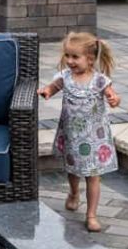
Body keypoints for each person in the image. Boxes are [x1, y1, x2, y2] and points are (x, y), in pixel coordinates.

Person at [37, 31, 121, 233]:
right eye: (68, 56)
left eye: (75, 57)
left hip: (94, 138)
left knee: (93, 175)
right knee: (73, 171)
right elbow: (53, 86)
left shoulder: (100, 80)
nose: (70, 61)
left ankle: (91, 215)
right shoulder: (65, 77)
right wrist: (46, 91)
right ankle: (74, 193)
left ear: (90, 59)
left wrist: (114, 99)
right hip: (73, 137)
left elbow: (112, 94)